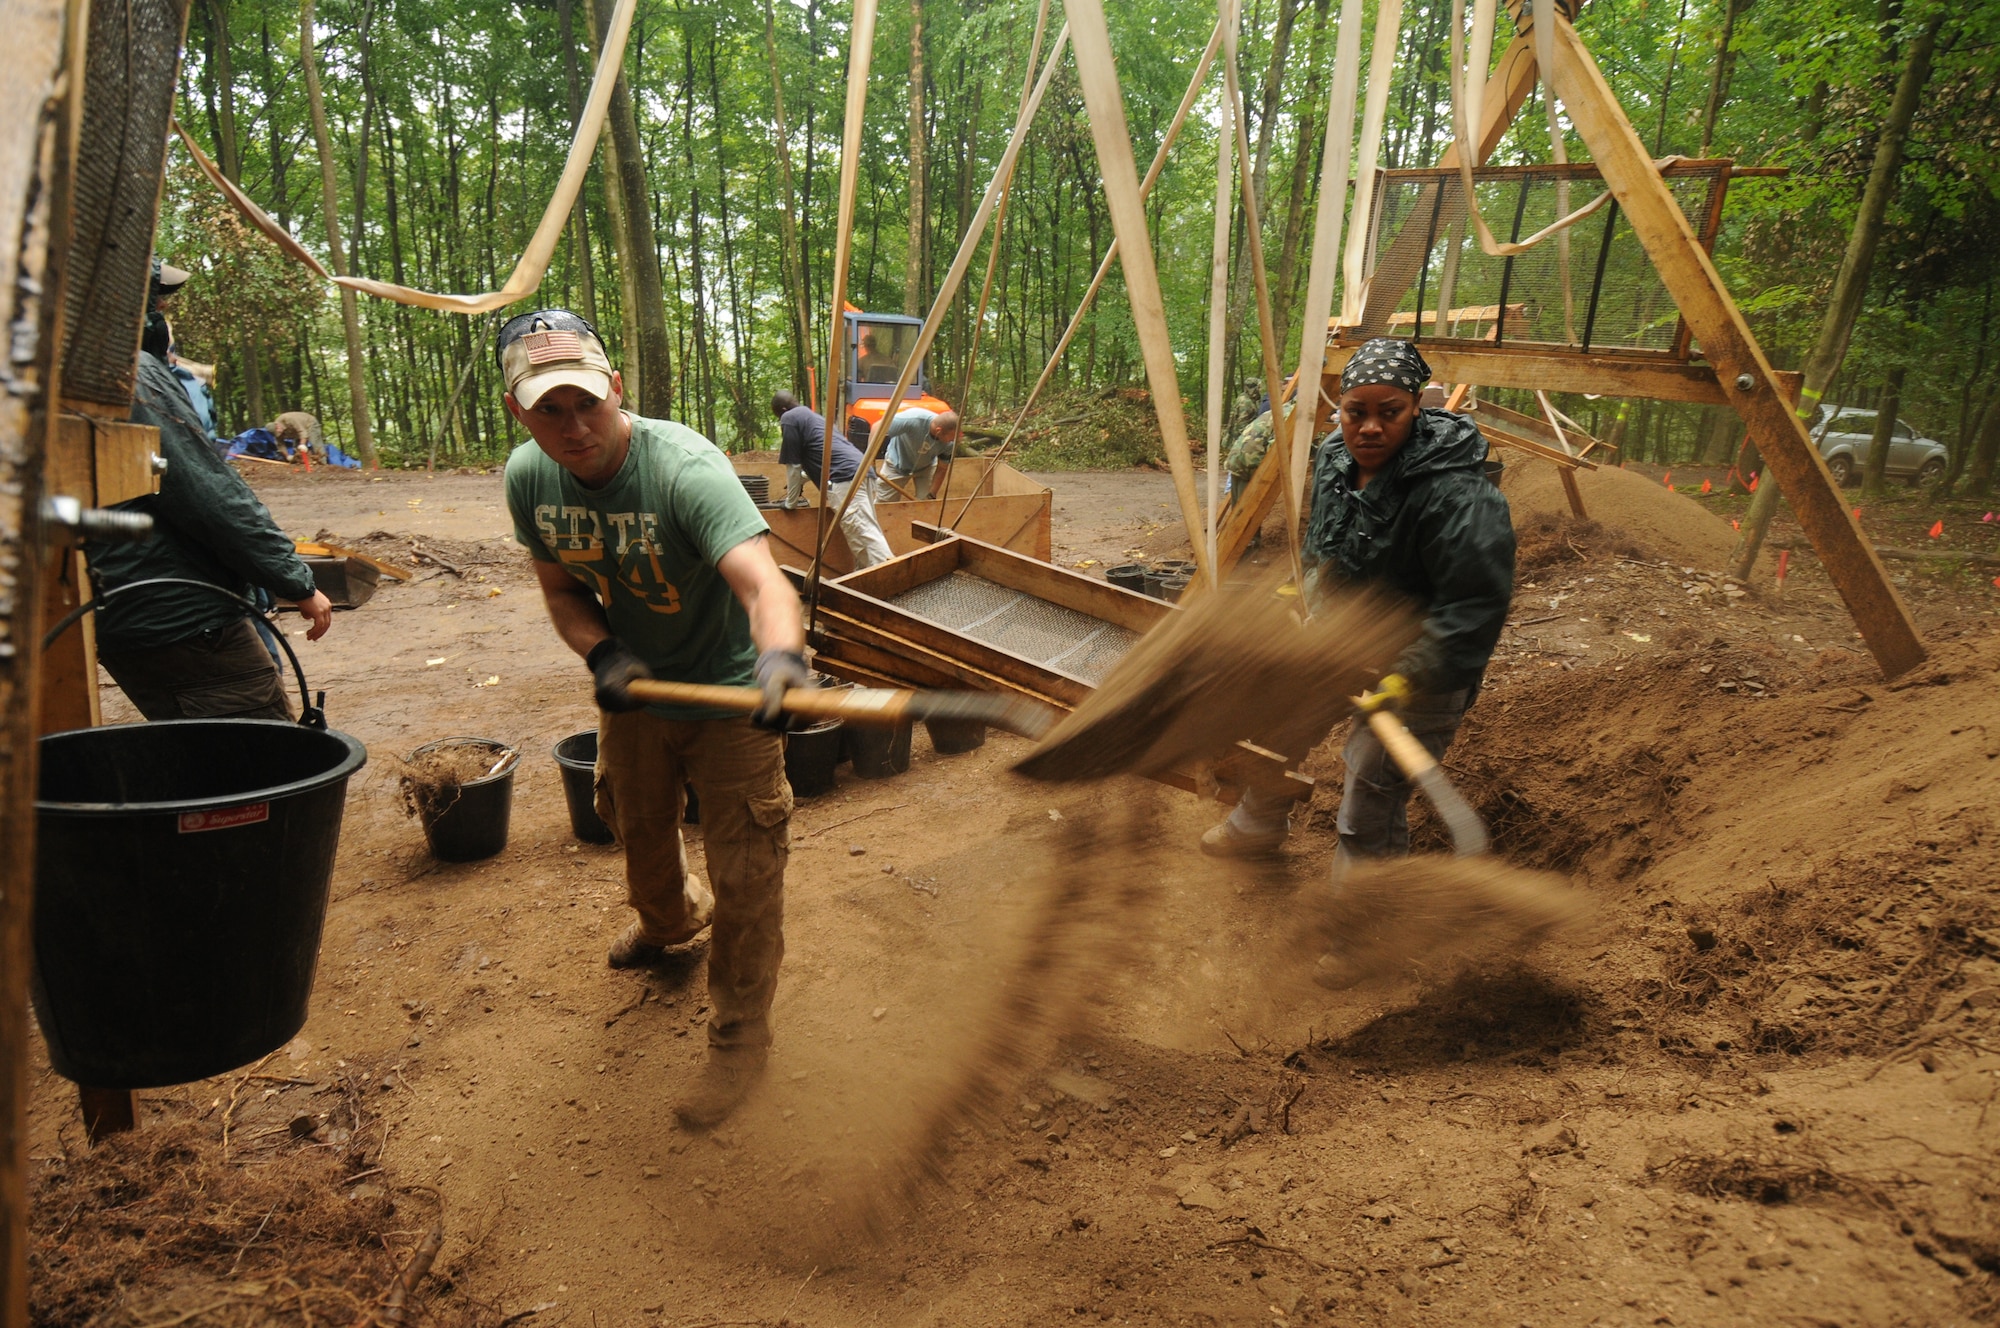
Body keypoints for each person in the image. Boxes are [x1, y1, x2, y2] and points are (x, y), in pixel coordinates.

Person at [500, 308, 806, 1130]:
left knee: (746, 871)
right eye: (550, 410)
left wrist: (780, 662)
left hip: (731, 694)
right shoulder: (528, 478)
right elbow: (561, 593)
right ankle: (668, 924)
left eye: (588, 403)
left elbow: (764, 585)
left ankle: (740, 1042)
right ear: (518, 412)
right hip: (637, 692)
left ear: (617, 390)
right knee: (635, 828)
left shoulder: (684, 472)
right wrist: (602, 653)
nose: (575, 427)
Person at [1201, 338, 1514, 868]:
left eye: (1389, 413)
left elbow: (1473, 608)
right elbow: (1326, 538)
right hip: (1341, 637)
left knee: (1371, 790)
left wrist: (1407, 675)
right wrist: (1303, 588)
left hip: (1426, 665)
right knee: (1280, 729)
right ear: (1338, 409)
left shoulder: (1460, 496)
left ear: (1416, 408)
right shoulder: (1333, 457)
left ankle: (1358, 929)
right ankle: (1255, 828)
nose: (1370, 427)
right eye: (1355, 412)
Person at [87, 257, 334, 720]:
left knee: (202, 762)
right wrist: (294, 580)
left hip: (125, 614)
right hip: (183, 618)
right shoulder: (129, 372)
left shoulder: (67, 369)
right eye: (156, 294)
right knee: (266, 765)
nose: (164, 306)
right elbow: (206, 494)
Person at [773, 390, 894, 569]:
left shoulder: (789, 417)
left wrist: (791, 502)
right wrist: (802, 481)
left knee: (864, 533)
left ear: (783, 409)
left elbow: (793, 467)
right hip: (860, 471)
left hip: (844, 477)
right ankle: (865, 584)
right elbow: (820, 457)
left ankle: (893, 577)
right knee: (860, 538)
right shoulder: (814, 418)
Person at [870, 406, 963, 502]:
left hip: (925, 467)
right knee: (884, 503)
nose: (953, 441)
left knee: (926, 504)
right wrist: (870, 461)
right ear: (938, 431)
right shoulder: (913, 420)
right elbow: (877, 427)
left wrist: (932, 494)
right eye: (951, 438)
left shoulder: (951, 443)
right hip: (897, 463)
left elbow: (942, 468)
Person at [1223, 406, 1273, 508]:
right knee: (1245, 508)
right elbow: (1275, 449)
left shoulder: (1275, 412)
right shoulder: (1289, 415)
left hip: (1236, 456)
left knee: (1236, 506)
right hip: (1249, 462)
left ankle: (1235, 523)